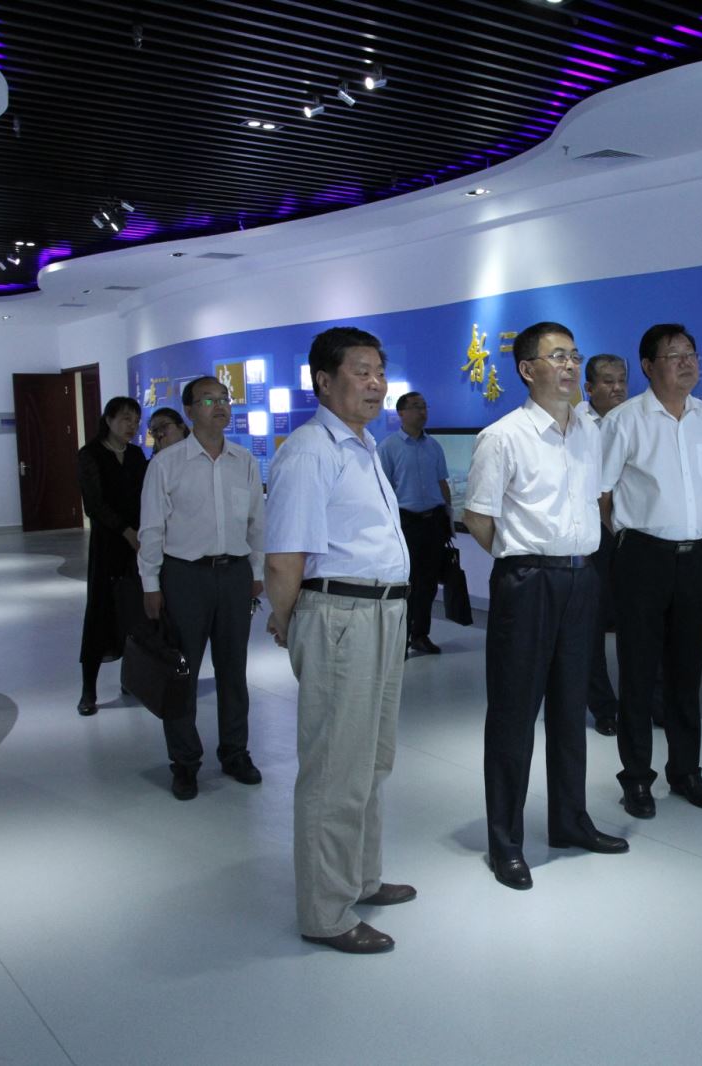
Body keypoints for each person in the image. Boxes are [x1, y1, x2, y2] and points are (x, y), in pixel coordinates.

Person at [263, 326, 415, 955]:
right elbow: (284, 558)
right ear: (323, 381)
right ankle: (325, 912)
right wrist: (289, 620)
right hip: (341, 616)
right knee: (334, 769)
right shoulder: (309, 451)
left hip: (381, 613)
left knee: (370, 761)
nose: (376, 383)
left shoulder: (363, 445)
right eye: (361, 371)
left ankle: (361, 878)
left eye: (380, 371)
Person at [465, 323, 629, 891]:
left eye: (574, 356)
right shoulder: (503, 437)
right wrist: (523, 559)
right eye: (557, 357)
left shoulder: (588, 431)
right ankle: (505, 840)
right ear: (527, 369)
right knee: (514, 715)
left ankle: (570, 819)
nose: (570, 366)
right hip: (528, 580)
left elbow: (597, 500)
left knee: (570, 708)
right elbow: (478, 518)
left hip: (582, 578)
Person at [599, 324, 702, 818]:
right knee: (638, 671)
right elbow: (601, 494)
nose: (687, 362)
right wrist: (625, 540)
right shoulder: (625, 421)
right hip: (643, 558)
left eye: (691, 353)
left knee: (687, 671)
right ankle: (636, 778)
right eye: (674, 355)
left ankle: (686, 771)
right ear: (648, 366)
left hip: (698, 558)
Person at [137, 376, 265, 801]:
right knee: (182, 673)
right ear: (189, 411)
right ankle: (185, 762)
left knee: (233, 671)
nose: (220, 406)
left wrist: (257, 571)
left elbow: (257, 523)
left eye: (224, 398)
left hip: (234, 575)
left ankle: (235, 752)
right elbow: (152, 528)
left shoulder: (244, 461)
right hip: (184, 577)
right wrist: (150, 583)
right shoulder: (167, 464)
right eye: (208, 400)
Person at [76, 396, 148, 715]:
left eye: (136, 420)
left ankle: (131, 679)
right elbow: (94, 504)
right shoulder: (90, 454)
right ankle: (88, 691)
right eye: (125, 419)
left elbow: (146, 495)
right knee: (100, 613)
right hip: (108, 545)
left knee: (135, 613)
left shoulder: (135, 455)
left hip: (138, 546)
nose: (132, 426)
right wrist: (125, 531)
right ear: (108, 420)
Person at [574, 354, 628, 736]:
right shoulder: (575, 424)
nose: (618, 388)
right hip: (593, 535)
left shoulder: (637, 418)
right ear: (589, 388)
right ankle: (603, 706)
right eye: (608, 381)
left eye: (622, 380)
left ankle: (647, 700)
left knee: (638, 621)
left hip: (633, 532)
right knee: (591, 627)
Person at [377, 391, 450, 656]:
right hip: (405, 524)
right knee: (405, 584)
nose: (422, 412)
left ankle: (421, 635)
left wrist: (449, 518)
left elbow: (442, 483)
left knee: (428, 584)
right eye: (416, 407)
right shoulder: (388, 448)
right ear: (401, 413)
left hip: (433, 522)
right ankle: (400, 639)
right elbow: (382, 490)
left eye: (424, 406)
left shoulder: (434, 447)